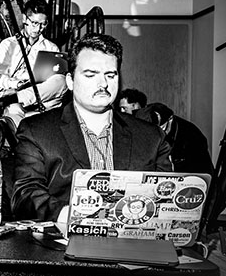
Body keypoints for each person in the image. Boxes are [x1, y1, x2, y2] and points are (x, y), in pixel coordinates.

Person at [10, 33, 172, 222]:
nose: (103, 83)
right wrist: (66, 216)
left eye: (110, 75)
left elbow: (167, 200)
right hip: (62, 245)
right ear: (70, 81)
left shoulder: (152, 137)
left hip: (132, 247)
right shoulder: (36, 131)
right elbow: (25, 195)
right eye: (91, 74)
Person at [0, 0, 68, 132]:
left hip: (42, 97)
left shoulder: (51, 47)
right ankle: (15, 101)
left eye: (43, 24)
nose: (38, 29)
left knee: (61, 80)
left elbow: (55, 84)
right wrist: (16, 84)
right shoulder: (8, 44)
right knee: (14, 110)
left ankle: (17, 98)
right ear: (25, 18)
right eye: (34, 23)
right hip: (15, 95)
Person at [135, 102, 214, 176]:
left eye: (161, 129)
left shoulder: (192, 136)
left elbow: (199, 174)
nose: (157, 135)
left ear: (170, 120)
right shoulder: (141, 120)